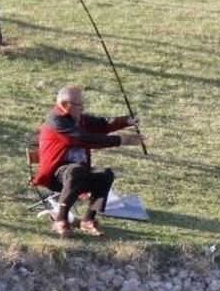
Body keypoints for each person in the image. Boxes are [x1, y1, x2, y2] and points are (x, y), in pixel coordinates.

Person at [32, 85, 143, 237]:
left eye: (82, 104)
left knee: (105, 174)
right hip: (55, 176)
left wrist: (128, 120)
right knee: (76, 170)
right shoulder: (56, 121)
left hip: (77, 174)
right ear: (64, 104)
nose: (82, 109)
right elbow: (82, 138)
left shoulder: (78, 118)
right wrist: (120, 140)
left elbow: (103, 124)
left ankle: (88, 219)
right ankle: (60, 220)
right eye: (78, 105)